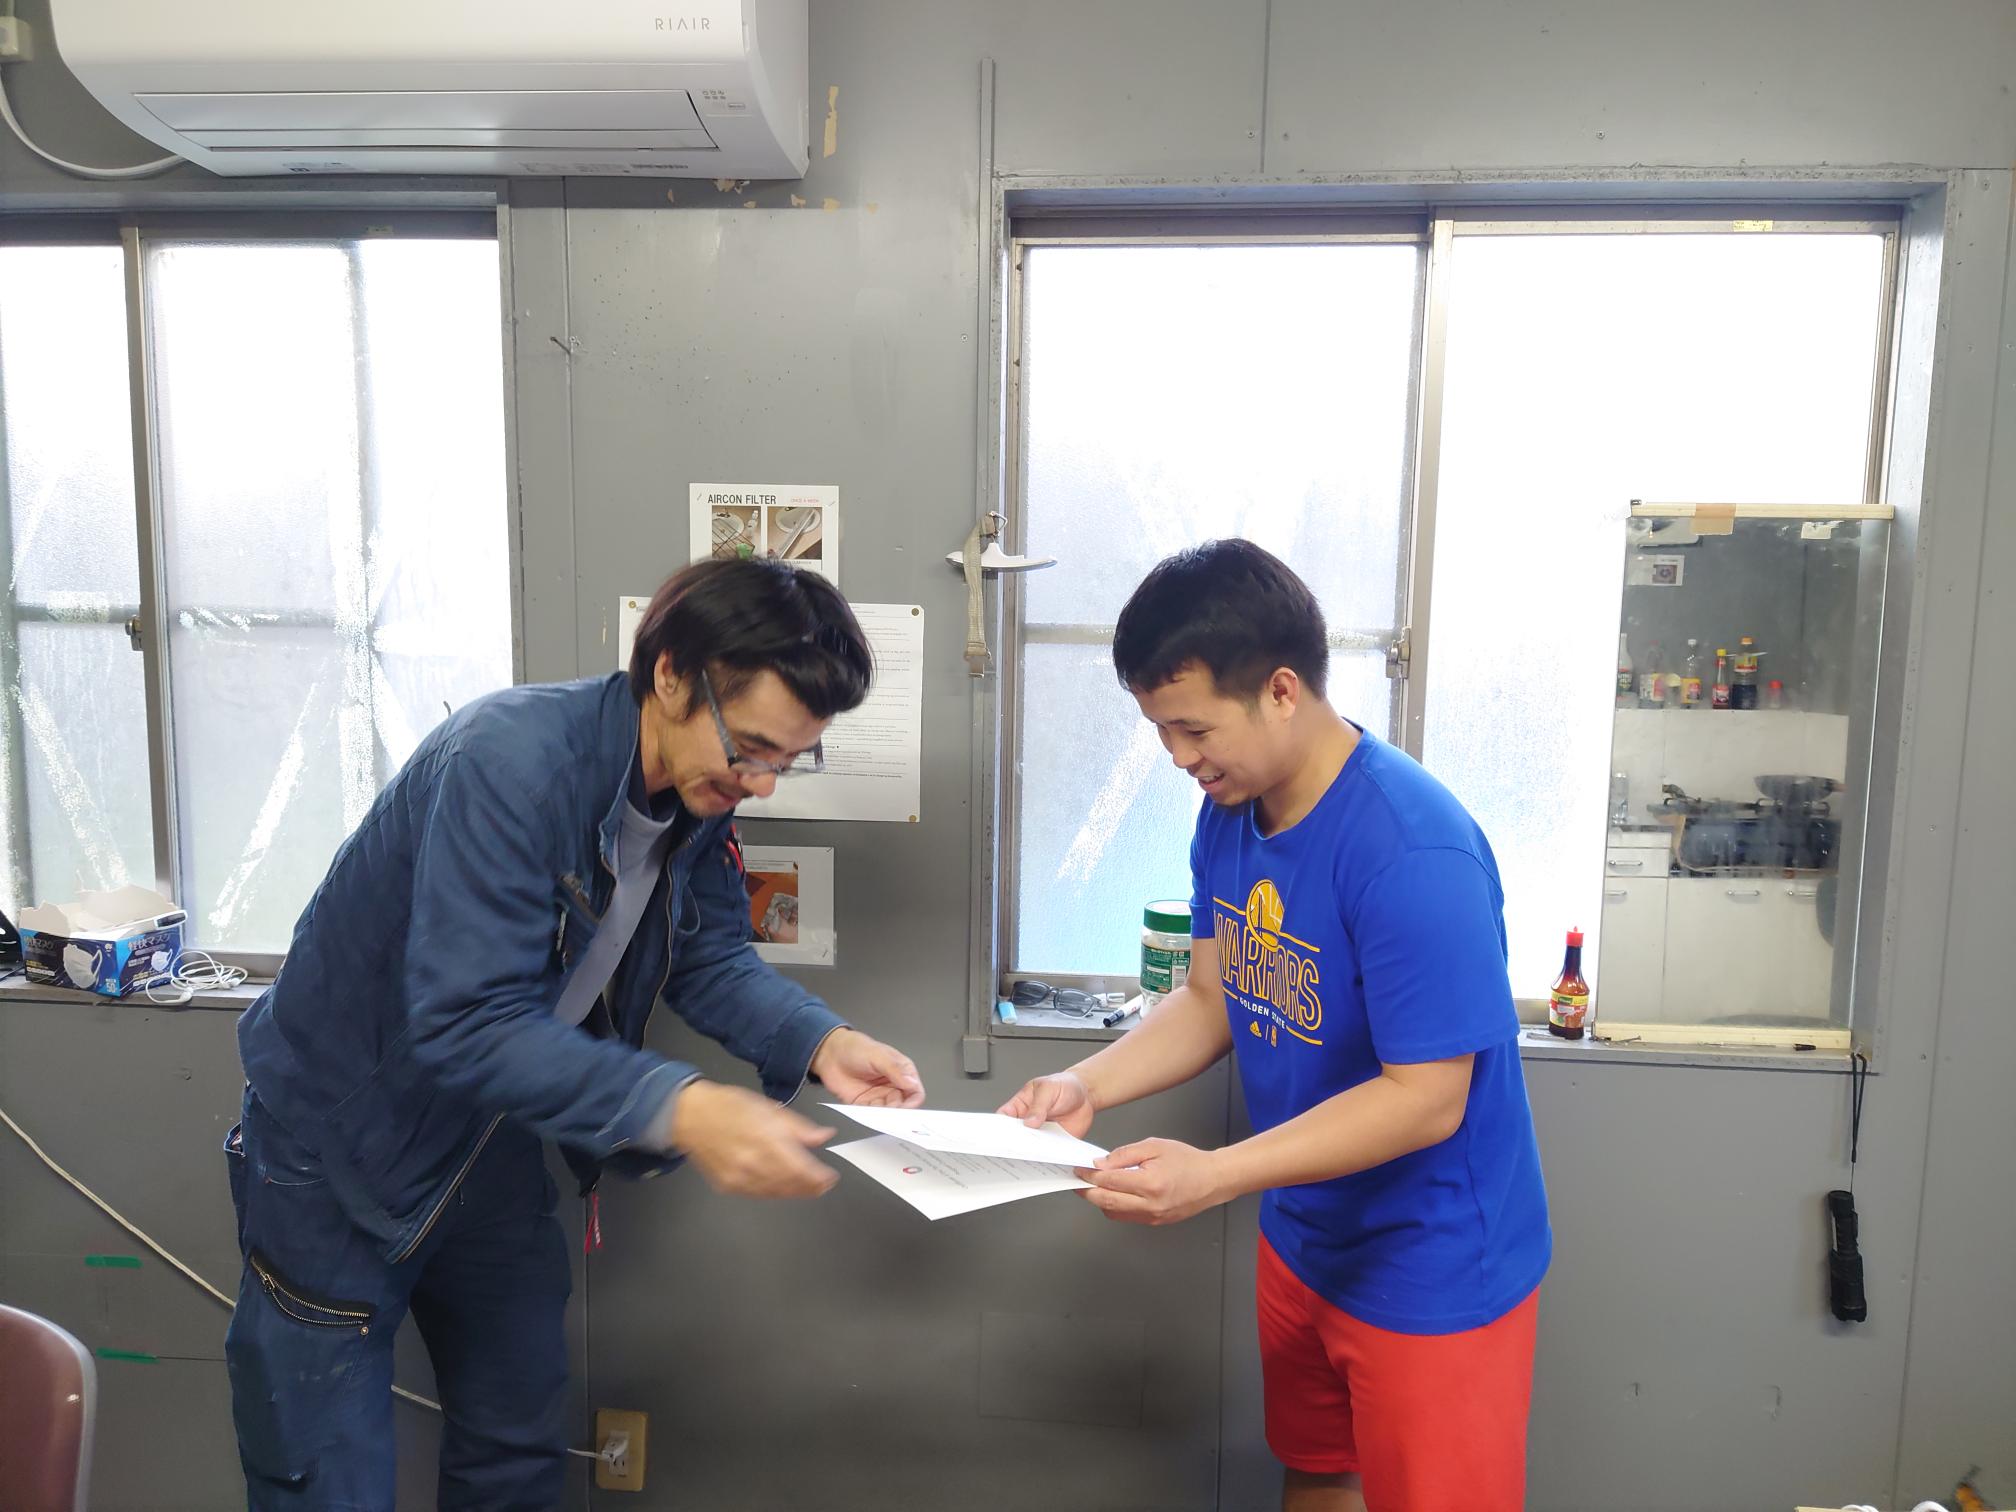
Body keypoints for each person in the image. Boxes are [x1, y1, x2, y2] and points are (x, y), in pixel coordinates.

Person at [225, 558, 926, 1510]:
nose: (762, 784)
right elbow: (468, 1022)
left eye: (789, 761)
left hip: (494, 1137)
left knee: (516, 1444)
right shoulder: (507, 765)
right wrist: (683, 1108)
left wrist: (819, 1041)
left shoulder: (696, 796)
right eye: (752, 749)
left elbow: (706, 956)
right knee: (323, 1472)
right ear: (671, 675)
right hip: (340, 1147)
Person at [1000, 540, 1550, 1512]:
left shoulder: (1414, 850)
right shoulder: (1230, 811)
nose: (1178, 757)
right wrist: (1087, 1084)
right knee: (1316, 1470)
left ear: (1282, 691)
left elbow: (1428, 1099)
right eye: (1160, 730)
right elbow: (1210, 997)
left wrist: (1214, 1175)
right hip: (1304, 1233)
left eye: (1193, 727)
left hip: (1430, 1260)